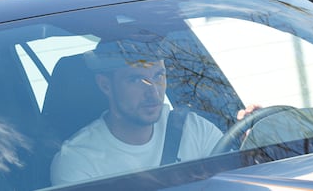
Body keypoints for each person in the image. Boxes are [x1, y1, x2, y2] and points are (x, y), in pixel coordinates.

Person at [50, 40, 259, 185]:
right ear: (105, 86)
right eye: (135, 80)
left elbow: (241, 181)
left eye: (159, 75)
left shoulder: (193, 128)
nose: (153, 91)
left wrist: (253, 144)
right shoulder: (78, 161)